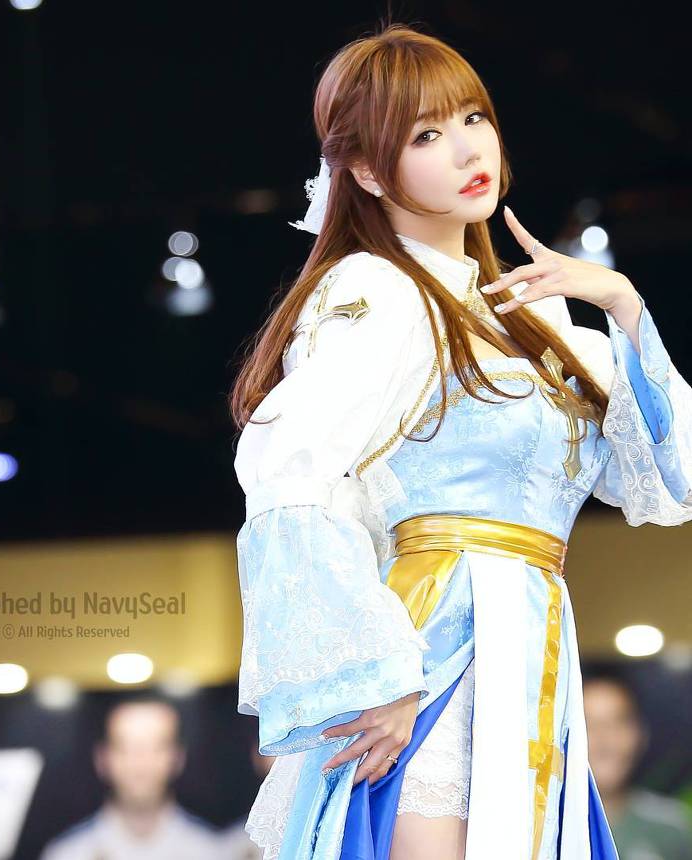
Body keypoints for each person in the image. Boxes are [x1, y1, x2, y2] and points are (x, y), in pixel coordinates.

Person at [227, 22, 692, 860]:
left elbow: (667, 476)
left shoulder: (533, 315)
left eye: (473, 118)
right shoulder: (377, 290)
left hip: (530, 645)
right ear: (368, 171)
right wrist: (375, 677)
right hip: (435, 651)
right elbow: (288, 474)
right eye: (426, 135)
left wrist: (624, 305)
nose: (468, 148)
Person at [39, 696, 223, 860]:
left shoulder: (211, 852)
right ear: (102, 758)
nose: (140, 762)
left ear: (177, 757)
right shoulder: (67, 854)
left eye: (155, 747)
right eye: (125, 747)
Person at [584, 673, 692, 859]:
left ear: (640, 734)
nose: (604, 739)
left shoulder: (670, 829)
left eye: (618, 722)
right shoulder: (545, 825)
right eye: (588, 724)